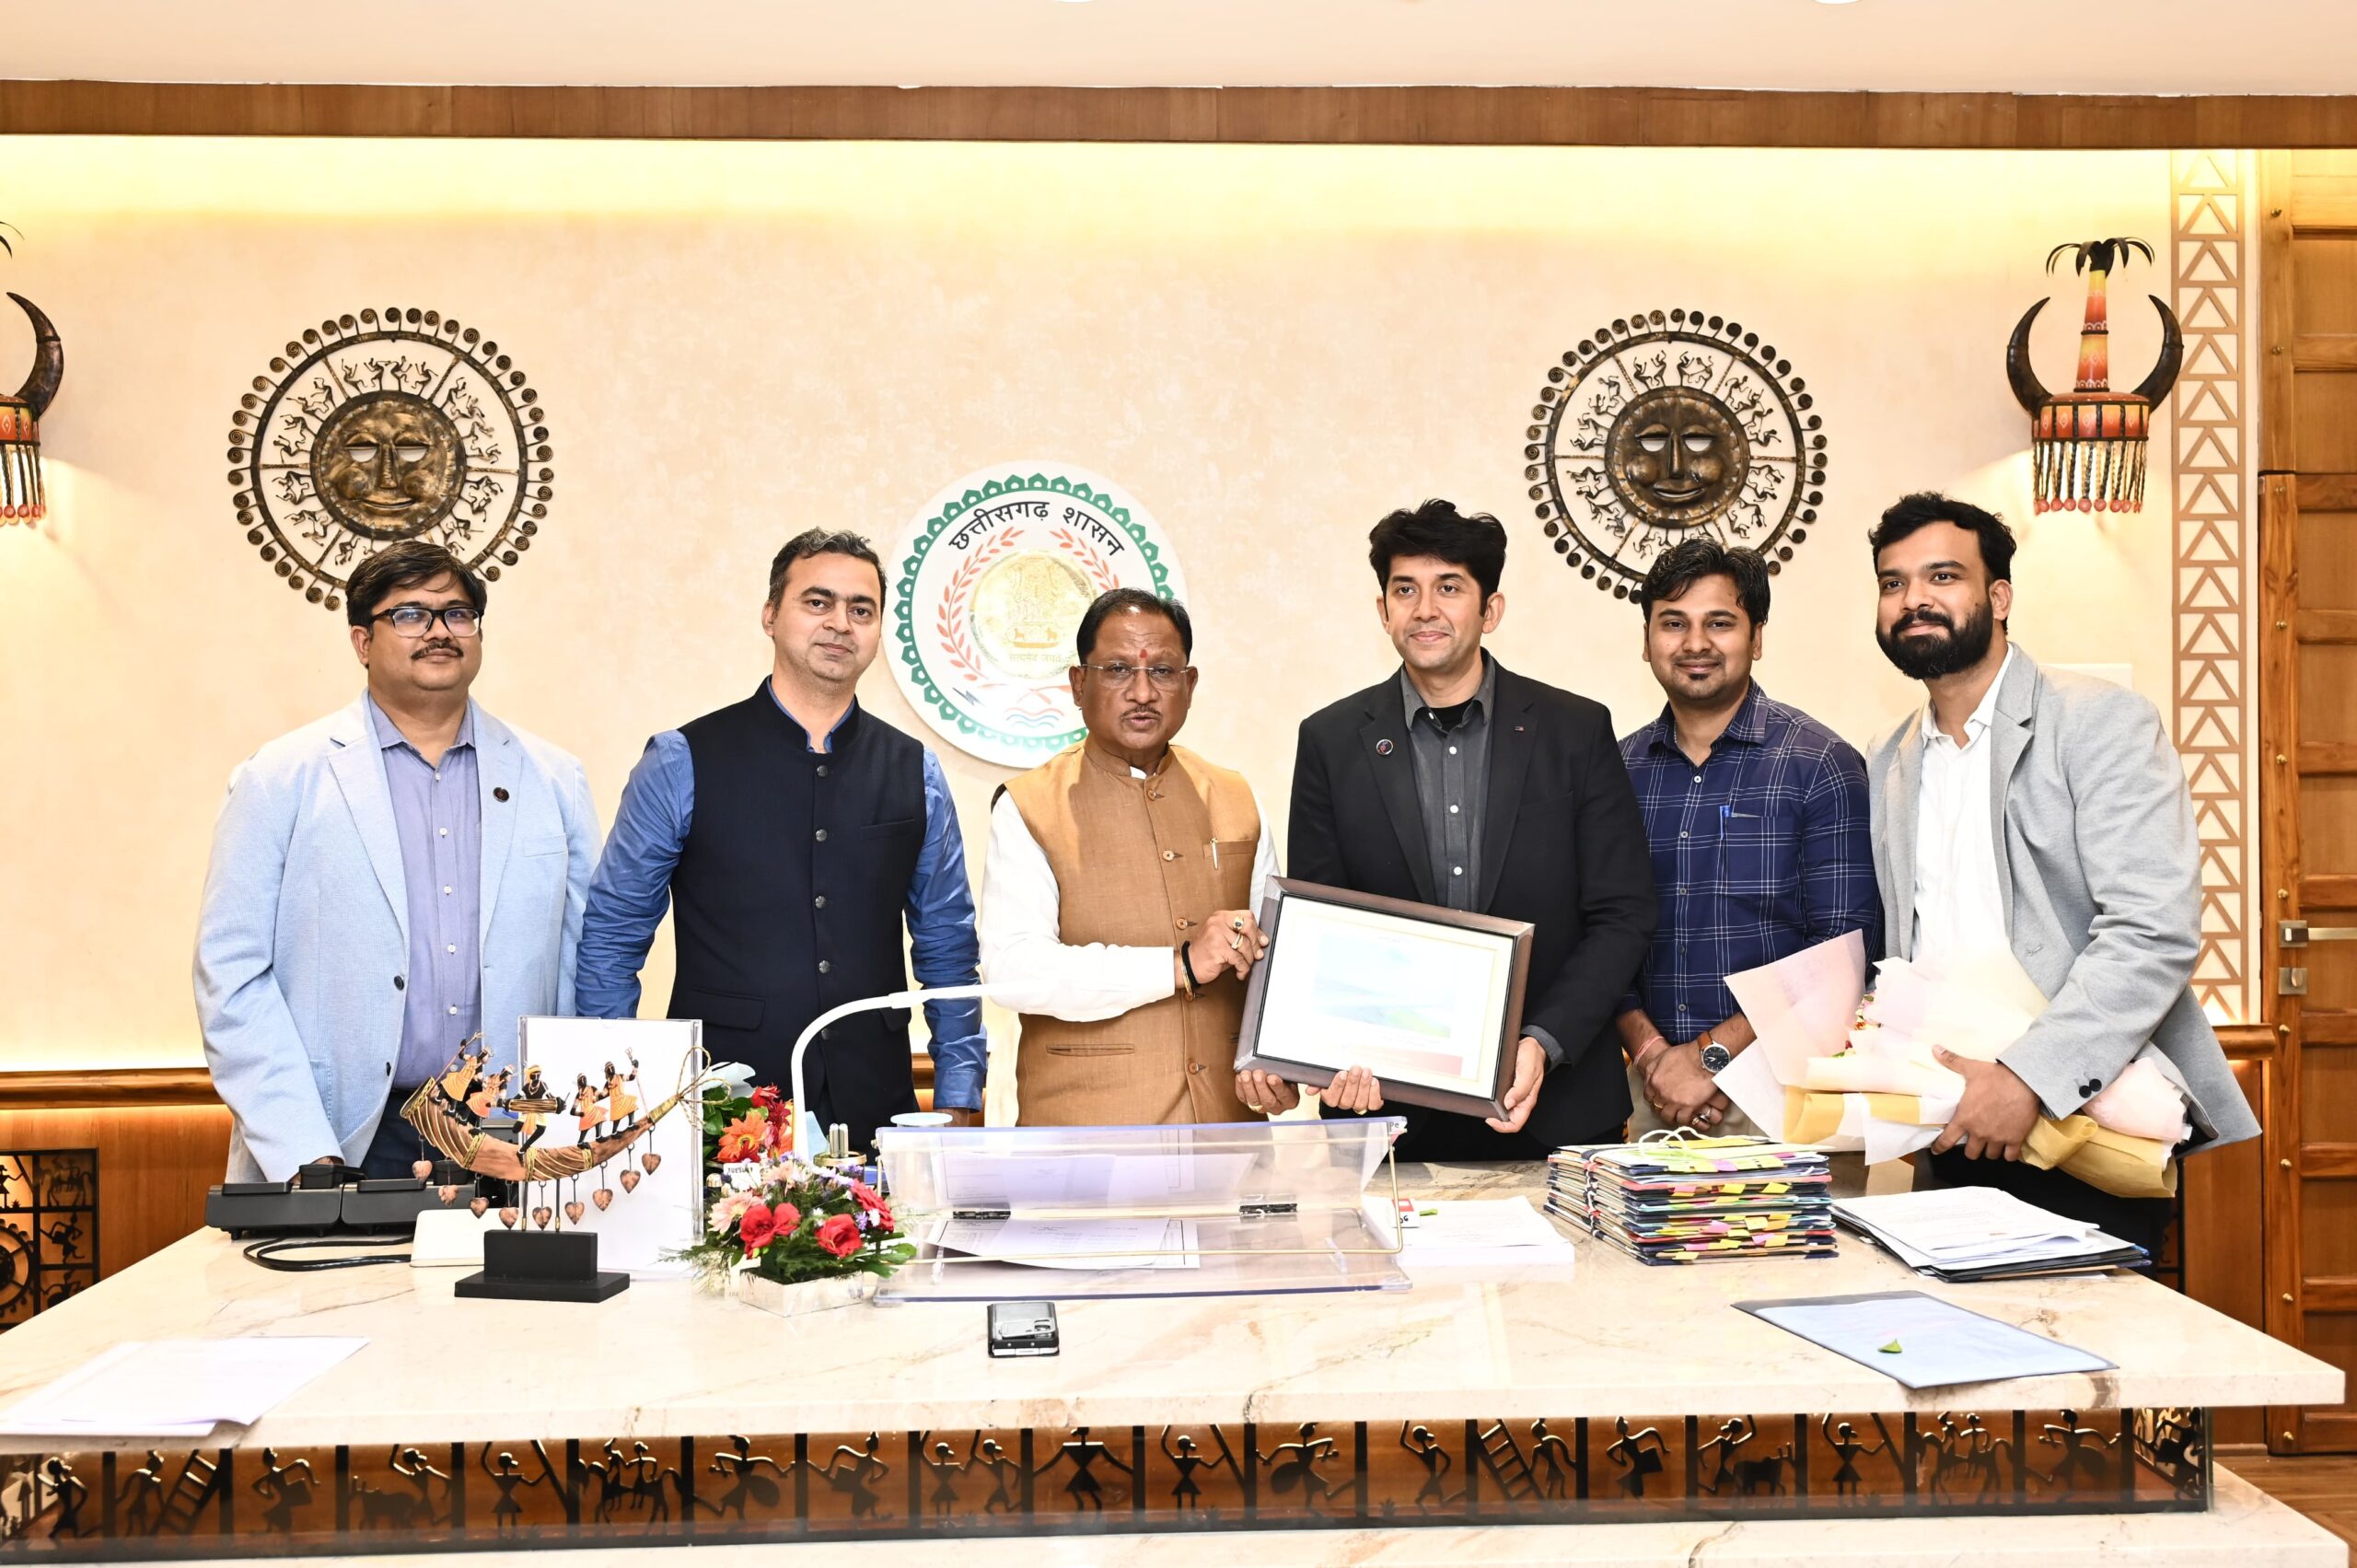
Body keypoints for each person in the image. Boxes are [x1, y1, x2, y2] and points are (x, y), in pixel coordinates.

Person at [1864, 491, 2258, 1250]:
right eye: (1893, 582)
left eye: (1943, 576)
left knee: (2083, 1330)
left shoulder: (2099, 721)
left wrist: (2028, 1079)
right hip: (1950, 1121)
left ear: (1999, 597)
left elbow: (2153, 929)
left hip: (2086, 1114)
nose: (1914, 599)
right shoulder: (1890, 754)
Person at [1259, 499, 1656, 1157]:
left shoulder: (1575, 731)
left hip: (1556, 1103)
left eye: (1449, 588)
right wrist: (1337, 1049)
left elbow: (1624, 913)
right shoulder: (1330, 740)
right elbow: (1324, 926)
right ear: (1382, 610)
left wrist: (1543, 1042)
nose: (1425, 609)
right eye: (1405, 590)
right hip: (1389, 1110)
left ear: (1489, 610)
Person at [193, 541, 598, 1181]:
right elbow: (232, 971)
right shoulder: (280, 777)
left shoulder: (553, 777)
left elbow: (583, 958)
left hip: (511, 1134)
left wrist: (569, 1130)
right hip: (342, 1133)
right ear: (362, 641)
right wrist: (304, 1148)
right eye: (409, 614)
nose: (440, 631)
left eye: (458, 614)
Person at [576, 529, 986, 1146]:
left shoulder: (914, 769)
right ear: (770, 615)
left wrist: (958, 1089)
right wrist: (613, 1097)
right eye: (817, 602)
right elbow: (613, 934)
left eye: (861, 610)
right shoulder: (681, 760)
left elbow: (948, 945)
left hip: (876, 1102)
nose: (840, 623)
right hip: (723, 1107)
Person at [980, 589, 1278, 1124]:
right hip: (1086, 1139)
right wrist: (1179, 965)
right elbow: (1014, 970)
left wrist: (1281, 1068)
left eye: (1162, 671)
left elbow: (1274, 962)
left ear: (1189, 685)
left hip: (1228, 1131)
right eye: (1118, 670)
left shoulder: (1238, 798)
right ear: (1079, 684)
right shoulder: (1029, 806)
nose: (1143, 693)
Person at [1616, 539, 1879, 1136]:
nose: (1695, 643)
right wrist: (1656, 1058)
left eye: (1720, 623)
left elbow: (1843, 950)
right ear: (1647, 640)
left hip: (1788, 1092)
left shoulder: (1822, 764)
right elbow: (1599, 935)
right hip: (1650, 1092)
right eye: (1673, 623)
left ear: (1756, 637)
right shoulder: (1616, 771)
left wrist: (1708, 1059)